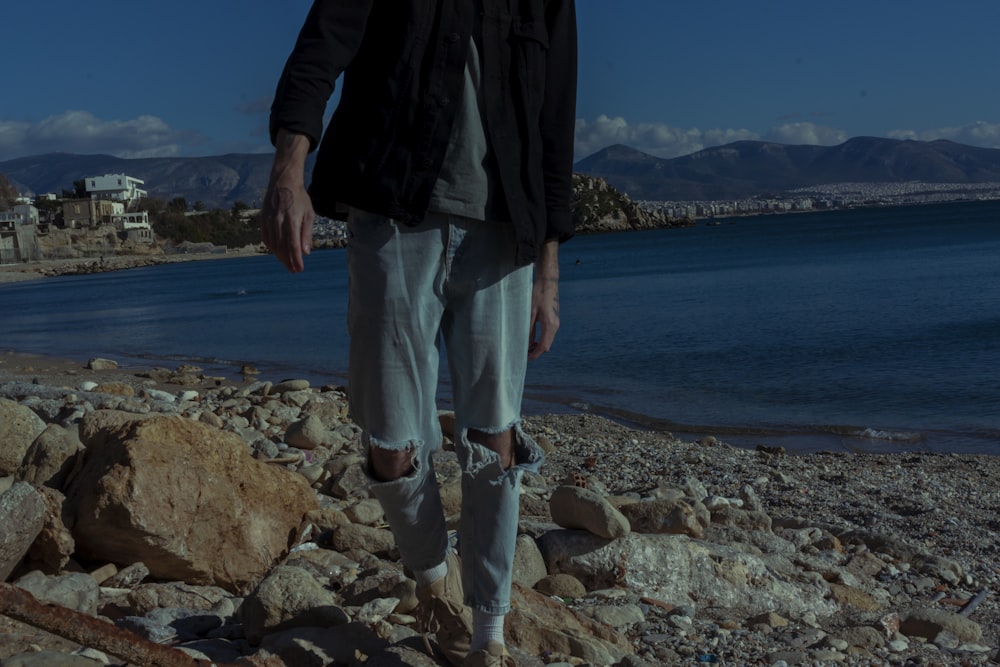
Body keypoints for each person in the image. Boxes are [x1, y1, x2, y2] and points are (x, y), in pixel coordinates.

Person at [261, 2, 577, 665]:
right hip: (393, 206)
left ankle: (489, 633)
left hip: (504, 230)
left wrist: (548, 274)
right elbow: (325, 42)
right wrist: (289, 169)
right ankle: (434, 581)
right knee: (392, 444)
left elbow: (554, 122)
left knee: (495, 438)